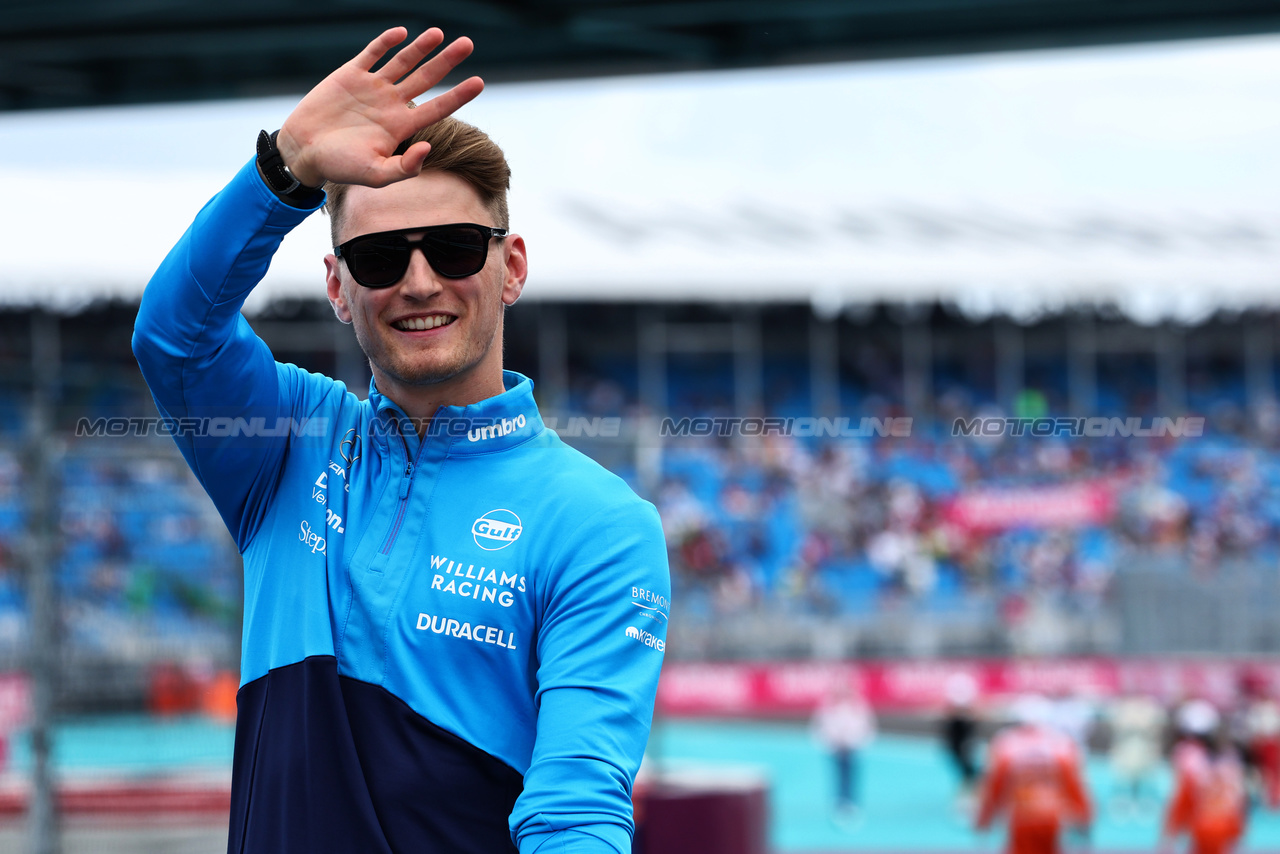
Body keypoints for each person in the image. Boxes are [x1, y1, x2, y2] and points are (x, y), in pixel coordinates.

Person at [132, 26, 671, 854]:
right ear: (338, 287)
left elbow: (575, 813)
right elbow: (174, 335)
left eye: (454, 247)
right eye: (380, 258)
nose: (419, 281)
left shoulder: (600, 525)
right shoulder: (289, 442)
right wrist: (283, 170)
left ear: (512, 266)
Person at [975, 695, 1092, 854]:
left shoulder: (1007, 744)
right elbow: (1073, 783)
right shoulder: (1060, 744)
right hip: (1051, 814)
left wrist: (985, 816)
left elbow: (995, 784)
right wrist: (1083, 814)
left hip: (1021, 814)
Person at [1161, 701, 1247, 854]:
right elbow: (1239, 800)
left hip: (1204, 825)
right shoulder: (1232, 761)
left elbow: (1183, 799)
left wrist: (1170, 834)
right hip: (1224, 825)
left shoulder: (1190, 759)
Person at [811, 675, 876, 824]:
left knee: (852, 776)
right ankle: (839, 803)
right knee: (838, 776)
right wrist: (832, 743)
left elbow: (867, 727)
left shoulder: (858, 705)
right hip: (836, 749)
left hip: (853, 749)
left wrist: (857, 742)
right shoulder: (828, 706)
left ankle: (852, 802)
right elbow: (819, 728)